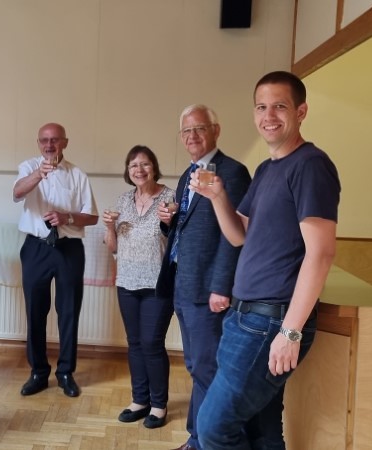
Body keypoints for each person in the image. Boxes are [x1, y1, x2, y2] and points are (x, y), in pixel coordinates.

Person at [193, 71, 340, 449]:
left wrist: (290, 332)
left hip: (270, 321)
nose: (268, 116)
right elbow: (239, 235)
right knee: (262, 428)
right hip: (244, 317)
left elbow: (321, 253)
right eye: (261, 107)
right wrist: (218, 196)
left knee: (212, 428)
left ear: (301, 111)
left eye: (279, 106)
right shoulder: (266, 169)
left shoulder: (311, 165)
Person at [156, 105, 251, 450]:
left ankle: (215, 440)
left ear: (216, 130)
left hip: (210, 289)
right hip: (184, 284)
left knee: (208, 367)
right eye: (186, 131)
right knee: (196, 365)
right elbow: (189, 227)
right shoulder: (188, 175)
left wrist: (221, 286)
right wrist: (169, 221)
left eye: (199, 128)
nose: (192, 136)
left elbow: (234, 234)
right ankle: (197, 437)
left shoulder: (233, 172)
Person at [13, 122, 98, 397]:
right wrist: (38, 174)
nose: (49, 145)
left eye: (55, 140)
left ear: (65, 142)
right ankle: (38, 372)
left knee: (69, 311)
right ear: (38, 143)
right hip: (36, 248)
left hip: (69, 248)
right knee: (35, 311)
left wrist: (67, 217)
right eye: (44, 140)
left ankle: (65, 373)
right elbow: (17, 192)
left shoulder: (77, 175)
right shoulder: (28, 167)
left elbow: (92, 216)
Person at [102, 146, 176, 429]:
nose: (139, 170)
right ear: (128, 170)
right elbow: (113, 248)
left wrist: (171, 221)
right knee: (134, 343)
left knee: (152, 343)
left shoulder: (170, 198)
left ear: (154, 167)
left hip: (158, 283)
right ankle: (140, 400)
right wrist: (109, 227)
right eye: (133, 165)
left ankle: (158, 404)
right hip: (127, 282)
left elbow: (176, 240)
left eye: (145, 164)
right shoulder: (123, 200)